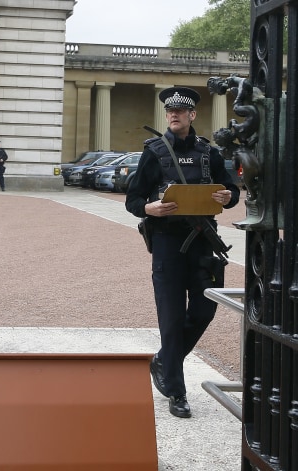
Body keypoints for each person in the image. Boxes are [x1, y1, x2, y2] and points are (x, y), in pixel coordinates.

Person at [125, 86, 240, 418]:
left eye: (181, 111)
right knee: (172, 319)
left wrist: (226, 198)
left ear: (192, 115)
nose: (174, 115)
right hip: (167, 244)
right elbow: (134, 200)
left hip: (204, 243)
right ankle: (176, 391)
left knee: (205, 311)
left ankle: (163, 359)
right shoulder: (153, 152)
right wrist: (151, 208)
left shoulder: (210, 154)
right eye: (169, 111)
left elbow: (231, 189)